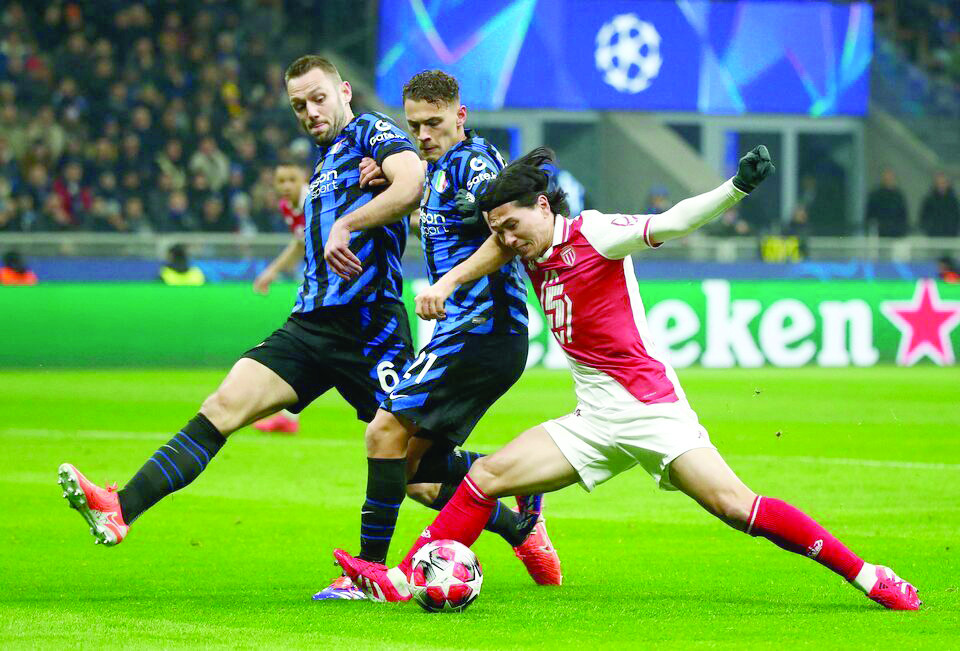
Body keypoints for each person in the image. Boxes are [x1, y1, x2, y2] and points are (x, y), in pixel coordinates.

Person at [333, 146, 921, 611]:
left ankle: (870, 575)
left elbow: (673, 221)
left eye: (512, 226)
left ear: (543, 207)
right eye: (499, 231)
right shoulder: (527, 248)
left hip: (651, 411)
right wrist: (452, 279)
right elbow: (493, 249)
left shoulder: (594, 233)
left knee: (738, 508)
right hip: (593, 419)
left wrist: (734, 188)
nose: (507, 240)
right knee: (484, 476)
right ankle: (406, 577)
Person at [57, 57, 425, 580]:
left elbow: (412, 182)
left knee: (419, 469)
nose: (310, 111)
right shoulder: (324, 162)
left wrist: (348, 222)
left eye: (319, 98)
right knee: (222, 405)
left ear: (345, 91)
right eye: (299, 105)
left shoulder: (371, 130)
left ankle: (515, 518)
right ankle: (120, 509)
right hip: (310, 326)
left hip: (370, 326)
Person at [318, 70, 559, 600]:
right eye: (415, 125)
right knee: (417, 477)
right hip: (470, 333)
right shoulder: (437, 169)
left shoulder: (474, 166)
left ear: (460, 116)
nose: (423, 134)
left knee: (382, 433)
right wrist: (388, 177)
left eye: (434, 123)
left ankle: (366, 575)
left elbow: (506, 232)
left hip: (481, 328)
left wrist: (447, 282)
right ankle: (522, 518)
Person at [249, 161, 310, 435]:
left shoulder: (314, 200)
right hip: (319, 282)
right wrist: (271, 272)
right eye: (280, 180)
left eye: (291, 179)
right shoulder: (288, 208)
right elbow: (300, 243)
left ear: (303, 181)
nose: (285, 186)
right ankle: (287, 416)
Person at [865, 168, 908, 237]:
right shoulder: (875, 196)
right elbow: (870, 216)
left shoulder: (898, 196)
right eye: (886, 177)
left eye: (890, 177)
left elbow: (903, 216)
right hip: (880, 234)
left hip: (896, 234)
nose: (888, 179)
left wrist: (902, 232)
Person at [919, 172, 960, 237]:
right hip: (932, 236)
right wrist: (929, 229)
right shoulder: (929, 200)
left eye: (943, 183)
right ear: (935, 184)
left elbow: (957, 217)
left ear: (948, 184)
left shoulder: (953, 201)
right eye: (939, 183)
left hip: (950, 236)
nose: (941, 185)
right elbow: (924, 217)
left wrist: (953, 229)